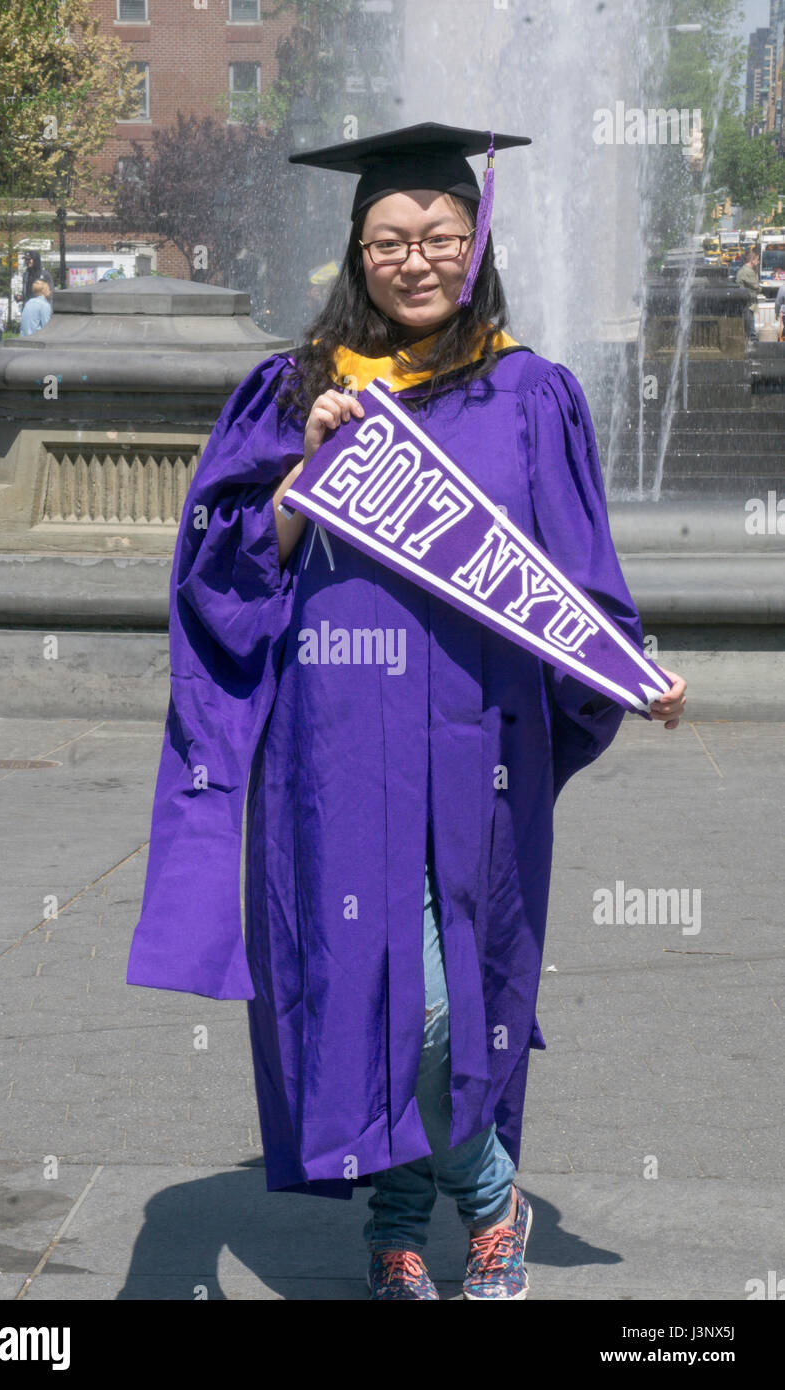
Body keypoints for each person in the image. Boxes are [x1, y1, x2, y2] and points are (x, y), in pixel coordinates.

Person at [126, 121, 688, 1301]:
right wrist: (299, 482)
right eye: (388, 238)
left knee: (448, 998)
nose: (413, 259)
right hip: (329, 752)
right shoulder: (293, 390)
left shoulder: (532, 393)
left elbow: (572, 574)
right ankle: (455, 1212)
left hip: (475, 743)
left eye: (436, 235)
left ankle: (416, 1215)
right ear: (355, 249)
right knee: (363, 981)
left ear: (474, 243)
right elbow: (217, 574)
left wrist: (622, 667)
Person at [736, 246, 760, 342]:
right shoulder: (748, 271)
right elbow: (757, 287)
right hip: (748, 304)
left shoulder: (744, 270)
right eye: (757, 260)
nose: (758, 263)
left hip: (746, 303)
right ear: (752, 260)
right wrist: (756, 272)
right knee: (751, 331)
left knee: (747, 329)